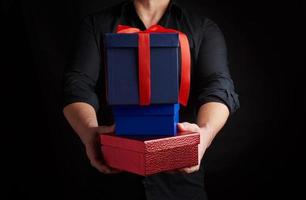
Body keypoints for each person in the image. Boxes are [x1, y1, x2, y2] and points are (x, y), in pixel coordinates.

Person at [62, 0, 239, 199]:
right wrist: (89, 133)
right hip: (112, 181)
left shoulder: (203, 28)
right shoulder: (95, 25)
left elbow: (219, 87)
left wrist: (205, 134)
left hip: (181, 187)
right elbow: (76, 85)